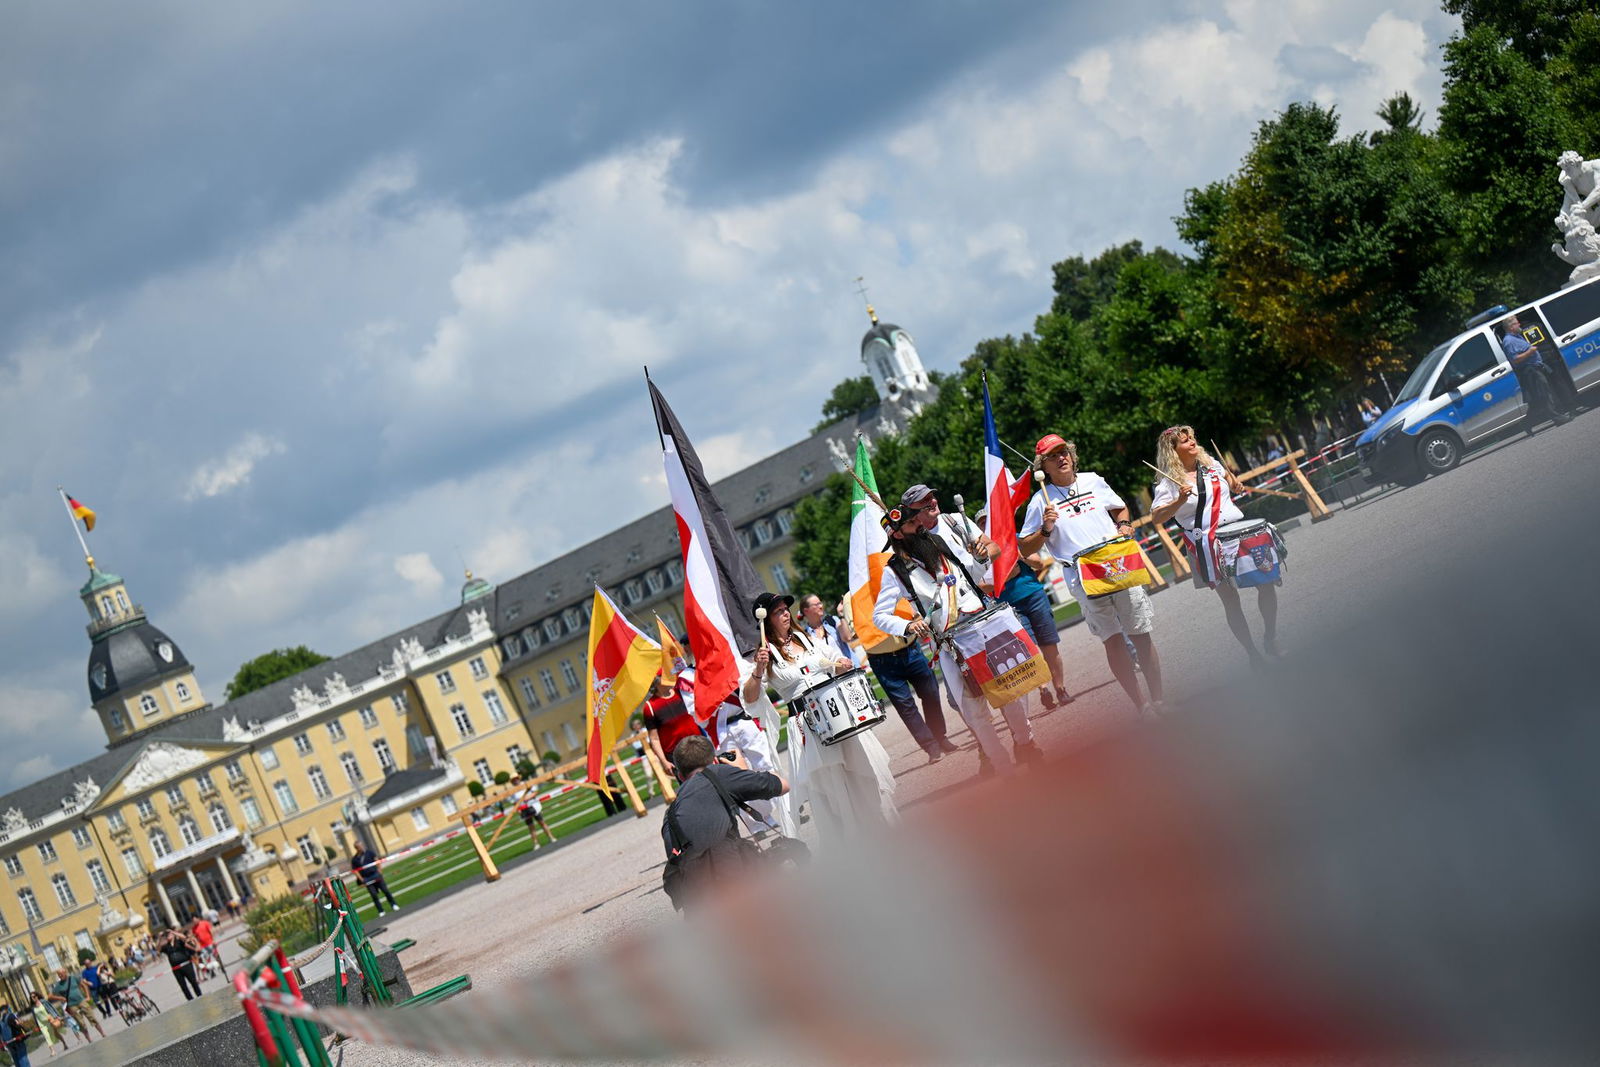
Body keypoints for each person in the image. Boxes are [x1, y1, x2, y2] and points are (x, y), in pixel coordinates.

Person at [874, 501, 1044, 775]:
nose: (919, 523)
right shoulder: (894, 571)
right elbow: (880, 616)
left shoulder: (938, 542)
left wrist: (979, 559)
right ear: (897, 534)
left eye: (917, 519)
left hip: (984, 627)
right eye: (911, 523)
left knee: (1011, 692)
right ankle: (1003, 767)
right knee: (975, 711)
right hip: (952, 644)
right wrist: (908, 624)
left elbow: (973, 576)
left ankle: (1026, 743)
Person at [1020, 435, 1166, 715]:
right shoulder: (1040, 501)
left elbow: (1119, 506)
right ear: (1043, 467)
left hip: (1117, 564)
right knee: (1113, 641)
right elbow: (1025, 546)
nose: (1061, 458)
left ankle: (1160, 700)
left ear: (1072, 456)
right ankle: (1143, 707)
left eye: (1064, 452)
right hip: (1082, 576)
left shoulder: (1093, 481)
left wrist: (1123, 525)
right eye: (1053, 456)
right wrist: (1046, 529)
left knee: (1141, 634)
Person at [748, 592, 897, 841]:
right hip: (806, 725)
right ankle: (856, 843)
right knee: (832, 787)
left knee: (862, 772)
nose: (785, 613)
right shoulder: (766, 655)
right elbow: (751, 698)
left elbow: (832, 656)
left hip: (836, 715)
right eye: (778, 611)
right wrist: (758, 670)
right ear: (765, 621)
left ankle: (883, 828)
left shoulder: (806, 638)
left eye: (786, 609)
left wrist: (839, 663)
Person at [1150, 426, 1282, 664]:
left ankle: (1270, 637)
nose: (1192, 442)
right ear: (1173, 451)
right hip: (1207, 543)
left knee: (1267, 583)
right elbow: (1157, 517)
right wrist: (1179, 500)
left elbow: (1229, 484)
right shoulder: (1168, 483)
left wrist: (1235, 484)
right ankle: (1253, 654)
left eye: (1191, 437)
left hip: (1238, 532)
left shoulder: (1211, 464)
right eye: (1184, 441)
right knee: (1231, 601)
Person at [660, 735, 789, 910]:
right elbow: (783, 785)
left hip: (698, 905)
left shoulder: (671, 813)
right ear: (714, 760)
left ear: (680, 776)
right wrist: (742, 770)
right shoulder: (717, 774)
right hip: (736, 888)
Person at [1498, 315, 1572, 432]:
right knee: (1545, 394)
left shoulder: (1516, 337)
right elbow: (1515, 359)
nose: (1519, 325)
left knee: (1536, 401)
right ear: (1511, 327)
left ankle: (1526, 423)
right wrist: (1530, 352)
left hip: (1535, 368)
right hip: (1530, 370)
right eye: (1517, 323)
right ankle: (1558, 418)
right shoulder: (1509, 341)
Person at [642, 675, 702, 772]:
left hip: (699, 745)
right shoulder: (650, 707)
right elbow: (654, 739)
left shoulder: (681, 692)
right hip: (678, 756)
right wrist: (664, 761)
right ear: (656, 682)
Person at [47, 966, 103, 1038]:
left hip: (81, 1001)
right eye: (59, 975)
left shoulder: (73, 978)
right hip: (71, 1005)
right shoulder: (58, 985)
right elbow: (49, 996)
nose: (60, 976)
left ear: (65, 972)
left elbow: (83, 985)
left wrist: (88, 996)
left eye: (61, 974)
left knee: (92, 1018)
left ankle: (102, 1033)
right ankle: (89, 1038)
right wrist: (60, 997)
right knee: (81, 1023)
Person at [350, 845, 400, 915]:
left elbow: (376, 860)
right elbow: (355, 870)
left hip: (375, 874)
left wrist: (379, 870)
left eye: (362, 846)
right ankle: (381, 911)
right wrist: (361, 879)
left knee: (385, 891)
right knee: (374, 895)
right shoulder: (355, 859)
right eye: (359, 847)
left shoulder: (369, 852)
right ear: (356, 848)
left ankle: (393, 904)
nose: (361, 847)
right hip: (367, 878)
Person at [1, 1000, 34, 1066]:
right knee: (23, 1058)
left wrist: (2, 1045)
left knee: (16, 1060)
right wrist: (25, 1032)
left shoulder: (1, 1021)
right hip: (17, 1041)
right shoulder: (10, 1016)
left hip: (9, 1043)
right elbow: (18, 1025)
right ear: (7, 1009)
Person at [30, 992, 62, 1056]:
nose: (33, 998)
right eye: (31, 998)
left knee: (55, 1034)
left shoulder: (43, 1002)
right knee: (46, 1036)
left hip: (49, 1020)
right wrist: (37, 1025)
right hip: (41, 1024)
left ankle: (64, 1043)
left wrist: (57, 1016)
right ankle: (53, 1051)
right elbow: (35, 1017)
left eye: (34, 996)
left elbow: (51, 1008)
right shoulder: (33, 1007)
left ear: (37, 996)